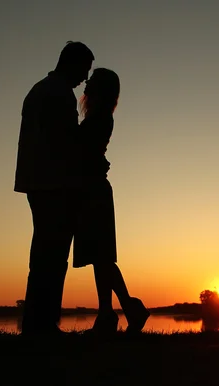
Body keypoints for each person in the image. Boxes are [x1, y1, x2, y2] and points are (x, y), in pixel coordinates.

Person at [14, 41, 95, 336]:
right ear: (71, 64)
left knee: (44, 254)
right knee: (52, 255)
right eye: (84, 70)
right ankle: (43, 324)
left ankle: (37, 322)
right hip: (53, 184)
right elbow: (65, 142)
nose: (84, 78)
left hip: (38, 182)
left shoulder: (40, 90)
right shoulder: (59, 94)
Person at [75, 68, 150, 334]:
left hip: (94, 190)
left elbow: (83, 149)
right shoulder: (99, 115)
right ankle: (114, 312)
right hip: (91, 189)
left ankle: (124, 310)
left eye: (92, 81)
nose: (86, 83)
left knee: (102, 257)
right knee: (100, 257)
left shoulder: (100, 116)